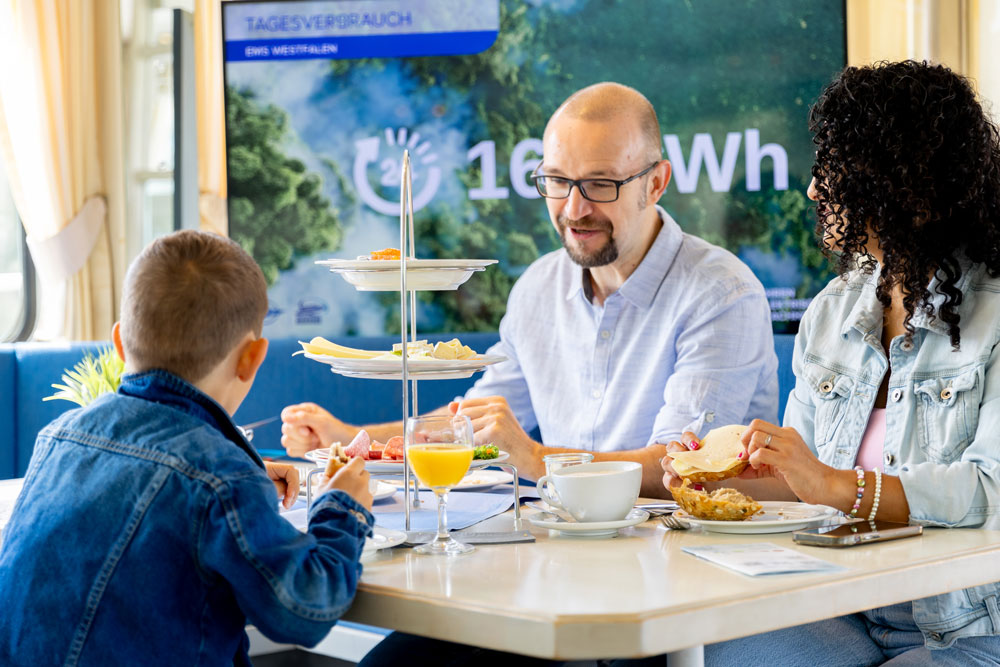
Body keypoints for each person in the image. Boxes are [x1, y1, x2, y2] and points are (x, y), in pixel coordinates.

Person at [283, 81, 778, 498]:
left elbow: (682, 468)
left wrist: (537, 459)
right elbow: (471, 425)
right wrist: (352, 439)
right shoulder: (539, 286)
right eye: (558, 180)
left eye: (601, 184)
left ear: (656, 183)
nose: (574, 208)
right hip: (562, 545)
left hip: (689, 561)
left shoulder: (722, 294)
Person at [662, 60, 1000, 665]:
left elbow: (988, 491)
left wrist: (834, 485)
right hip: (843, 605)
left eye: (835, 169)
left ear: (903, 184)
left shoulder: (994, 313)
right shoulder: (833, 309)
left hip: (973, 628)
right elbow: (807, 481)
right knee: (708, 648)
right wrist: (722, 475)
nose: (815, 189)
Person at [0, 230, 375, 666]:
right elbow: (303, 612)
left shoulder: (59, 435)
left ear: (120, 344)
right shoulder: (221, 478)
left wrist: (248, 478)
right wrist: (342, 509)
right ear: (252, 357)